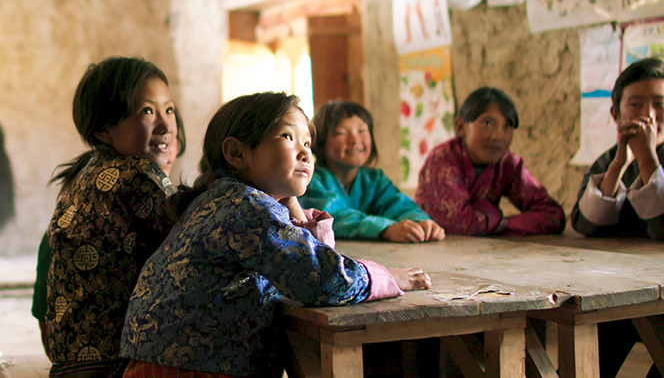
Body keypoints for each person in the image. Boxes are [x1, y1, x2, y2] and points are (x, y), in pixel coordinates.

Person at [119, 92, 431, 377]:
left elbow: (310, 254)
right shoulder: (245, 206)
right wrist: (387, 277)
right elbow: (321, 278)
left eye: (308, 143)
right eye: (287, 137)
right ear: (237, 153)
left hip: (167, 363)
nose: (305, 154)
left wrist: (292, 204)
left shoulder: (222, 199)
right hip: (193, 369)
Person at [40, 56, 186, 377]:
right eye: (147, 111)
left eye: (169, 110)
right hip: (114, 364)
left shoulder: (82, 175)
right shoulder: (137, 173)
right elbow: (191, 251)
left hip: (70, 360)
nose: (165, 125)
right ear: (104, 130)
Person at [30, 131, 183, 360]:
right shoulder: (136, 181)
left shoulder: (85, 181)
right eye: (157, 142)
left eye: (172, 140)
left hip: (65, 352)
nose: (168, 148)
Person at [415, 87, 566, 235]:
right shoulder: (442, 160)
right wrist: (494, 219)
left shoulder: (506, 164)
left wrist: (502, 224)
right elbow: (458, 223)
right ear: (461, 127)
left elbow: (553, 215)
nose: (497, 136)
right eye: (487, 123)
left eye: (507, 126)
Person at [301, 101, 445, 242]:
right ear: (320, 143)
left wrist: (421, 222)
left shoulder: (374, 179)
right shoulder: (310, 180)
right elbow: (334, 216)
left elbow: (397, 205)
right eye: (341, 133)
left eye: (362, 131)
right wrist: (386, 228)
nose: (355, 140)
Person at [570, 57, 664, 241]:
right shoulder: (609, 161)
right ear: (615, 114)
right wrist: (618, 166)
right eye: (635, 104)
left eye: (660, 104)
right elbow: (584, 225)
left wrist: (646, 157)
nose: (648, 115)